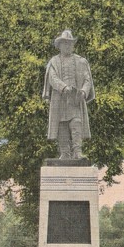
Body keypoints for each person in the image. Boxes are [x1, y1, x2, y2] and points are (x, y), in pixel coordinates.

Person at [42, 29, 95, 159]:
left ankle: (77, 152)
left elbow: (88, 80)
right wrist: (63, 87)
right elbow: (52, 78)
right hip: (59, 99)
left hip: (75, 99)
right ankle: (64, 153)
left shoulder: (81, 61)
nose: (67, 46)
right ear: (59, 46)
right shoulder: (53, 62)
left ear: (73, 45)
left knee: (76, 123)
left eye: (70, 43)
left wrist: (83, 91)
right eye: (64, 43)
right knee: (62, 126)